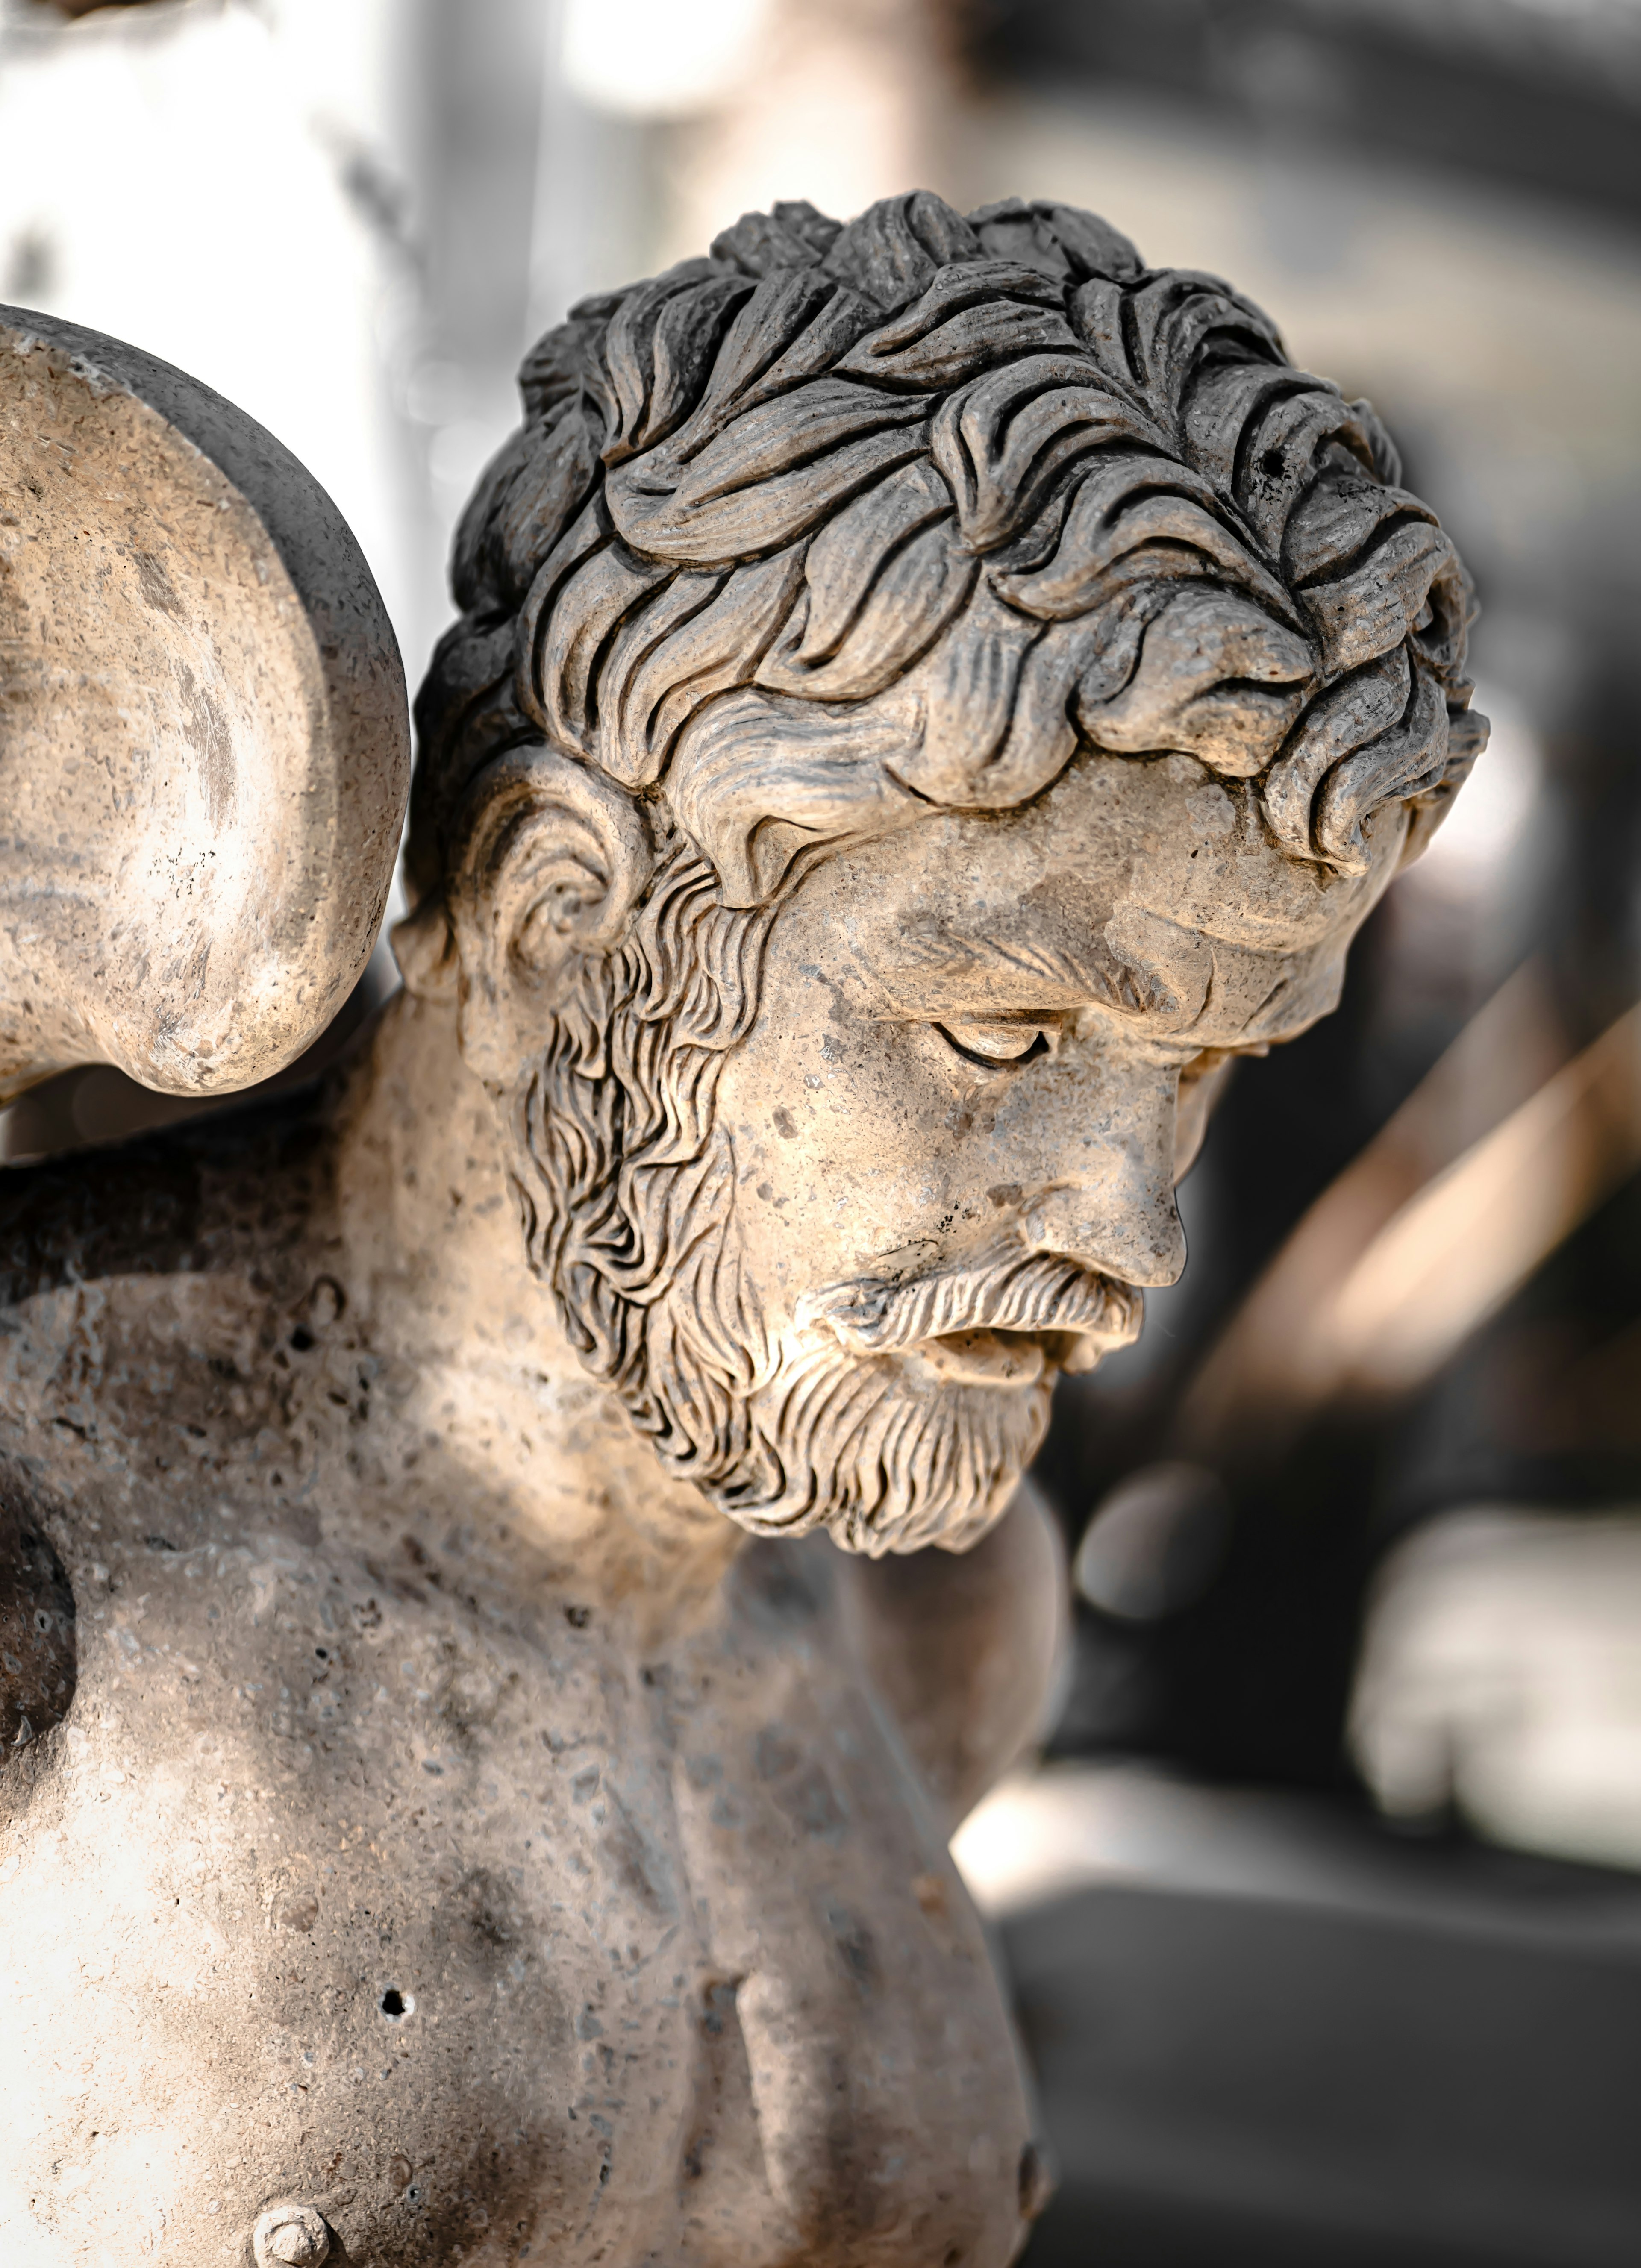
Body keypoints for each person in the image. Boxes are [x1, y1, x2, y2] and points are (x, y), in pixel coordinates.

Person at [0, 193, 1482, 2266]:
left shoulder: (933, 1630)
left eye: (1205, 1067)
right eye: (1004, 1030)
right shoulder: (53, 1576)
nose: (1135, 1223)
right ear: (558, 909)